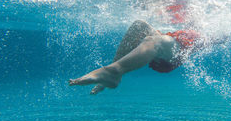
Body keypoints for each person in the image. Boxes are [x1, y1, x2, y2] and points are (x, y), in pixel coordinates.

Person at [69, 20, 202, 95]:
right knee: (139, 25)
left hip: (176, 53)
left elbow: (219, 36)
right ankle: (111, 73)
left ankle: (113, 71)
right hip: (170, 40)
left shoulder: (204, 33)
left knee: (158, 41)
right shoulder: (186, 27)